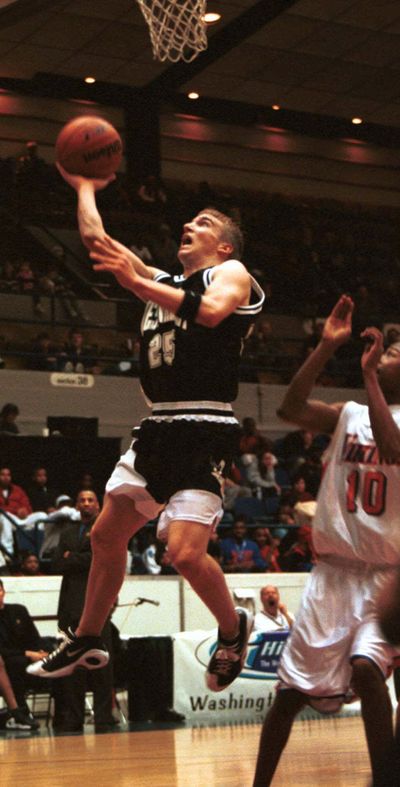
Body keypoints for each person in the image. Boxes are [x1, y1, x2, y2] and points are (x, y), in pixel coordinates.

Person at [28, 165, 264, 695]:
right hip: (159, 425)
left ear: (223, 246)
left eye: (203, 223)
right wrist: (85, 187)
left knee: (182, 553)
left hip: (205, 422)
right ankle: (88, 637)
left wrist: (137, 283)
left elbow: (212, 315)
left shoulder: (232, 274)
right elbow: (98, 241)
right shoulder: (163, 283)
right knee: (105, 534)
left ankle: (233, 630)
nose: (190, 225)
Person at [253, 295, 400, 787]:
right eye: (387, 347)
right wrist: (324, 347)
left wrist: (371, 376)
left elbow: (393, 447)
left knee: (366, 667)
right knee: (291, 694)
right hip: (334, 572)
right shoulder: (347, 414)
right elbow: (289, 407)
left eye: (395, 349)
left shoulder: (381, 410)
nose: (387, 351)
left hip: (386, 577)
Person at [50, 490, 115, 733]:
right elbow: (57, 562)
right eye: (82, 501)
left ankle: (103, 718)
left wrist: (72, 557)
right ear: (77, 505)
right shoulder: (67, 532)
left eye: (91, 500)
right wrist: (77, 558)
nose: (86, 504)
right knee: (71, 664)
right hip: (69, 607)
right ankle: (73, 717)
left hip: (97, 603)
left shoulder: (105, 529)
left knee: (101, 664)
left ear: (98, 505)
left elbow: (98, 559)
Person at [0, 578, 52, 729]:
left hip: (26, 656)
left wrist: (41, 651)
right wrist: (27, 653)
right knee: (17, 663)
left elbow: (34, 637)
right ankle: (19, 711)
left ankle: (65, 714)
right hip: (10, 659)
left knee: (56, 660)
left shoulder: (18, 610)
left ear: (4, 592)